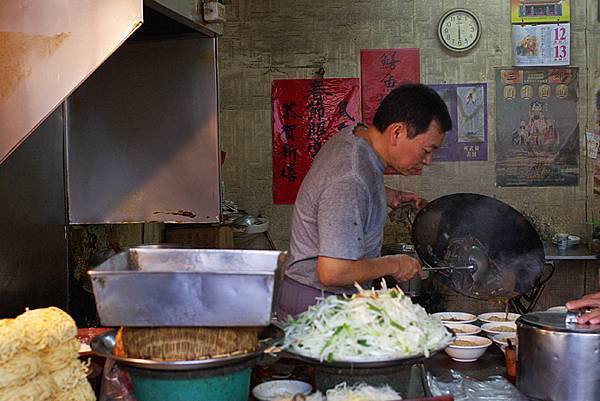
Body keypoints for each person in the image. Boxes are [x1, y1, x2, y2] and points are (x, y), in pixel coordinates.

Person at [277, 84, 452, 318]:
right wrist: (395, 264)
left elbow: (342, 189)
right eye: (427, 150)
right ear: (397, 132)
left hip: (317, 297)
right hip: (319, 306)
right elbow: (333, 271)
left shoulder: (357, 137)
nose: (428, 160)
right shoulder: (350, 177)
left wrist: (388, 195)